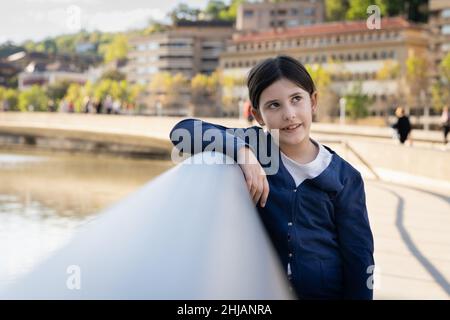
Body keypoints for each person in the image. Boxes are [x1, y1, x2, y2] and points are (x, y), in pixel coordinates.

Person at [169, 55, 374, 299]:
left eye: (296, 99)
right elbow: (183, 132)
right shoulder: (257, 147)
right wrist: (242, 152)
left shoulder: (346, 178)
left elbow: (359, 261)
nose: (289, 114)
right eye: (274, 105)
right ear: (258, 115)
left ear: (313, 101)